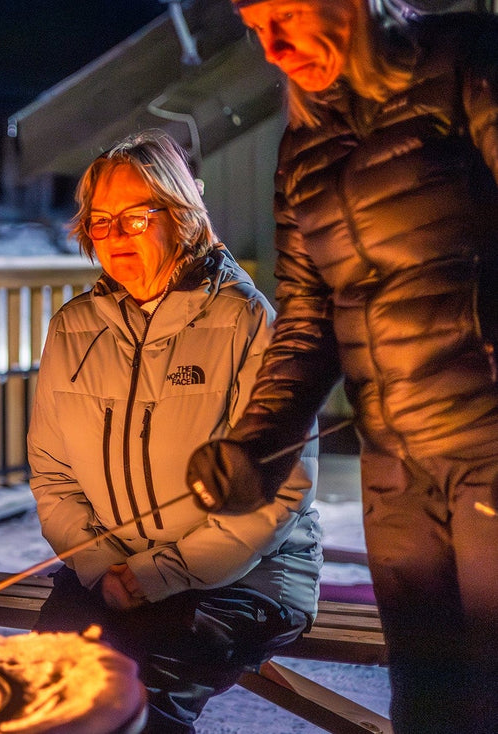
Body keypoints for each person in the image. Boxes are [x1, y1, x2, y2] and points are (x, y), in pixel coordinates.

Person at [185, 1, 498, 731]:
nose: (275, 46)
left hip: (489, 440)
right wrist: (255, 446)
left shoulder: (465, 61)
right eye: (257, 28)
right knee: (428, 696)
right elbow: (306, 320)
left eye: (288, 14)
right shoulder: (305, 144)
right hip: (397, 470)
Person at [27, 129, 321, 734]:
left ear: (181, 215)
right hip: (108, 573)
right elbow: (53, 476)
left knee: (136, 702)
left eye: (136, 217)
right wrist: (103, 566)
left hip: (249, 576)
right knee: (42, 691)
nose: (115, 237)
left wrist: (160, 574)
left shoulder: (243, 318)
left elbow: (283, 487)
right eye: (101, 222)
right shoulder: (74, 329)